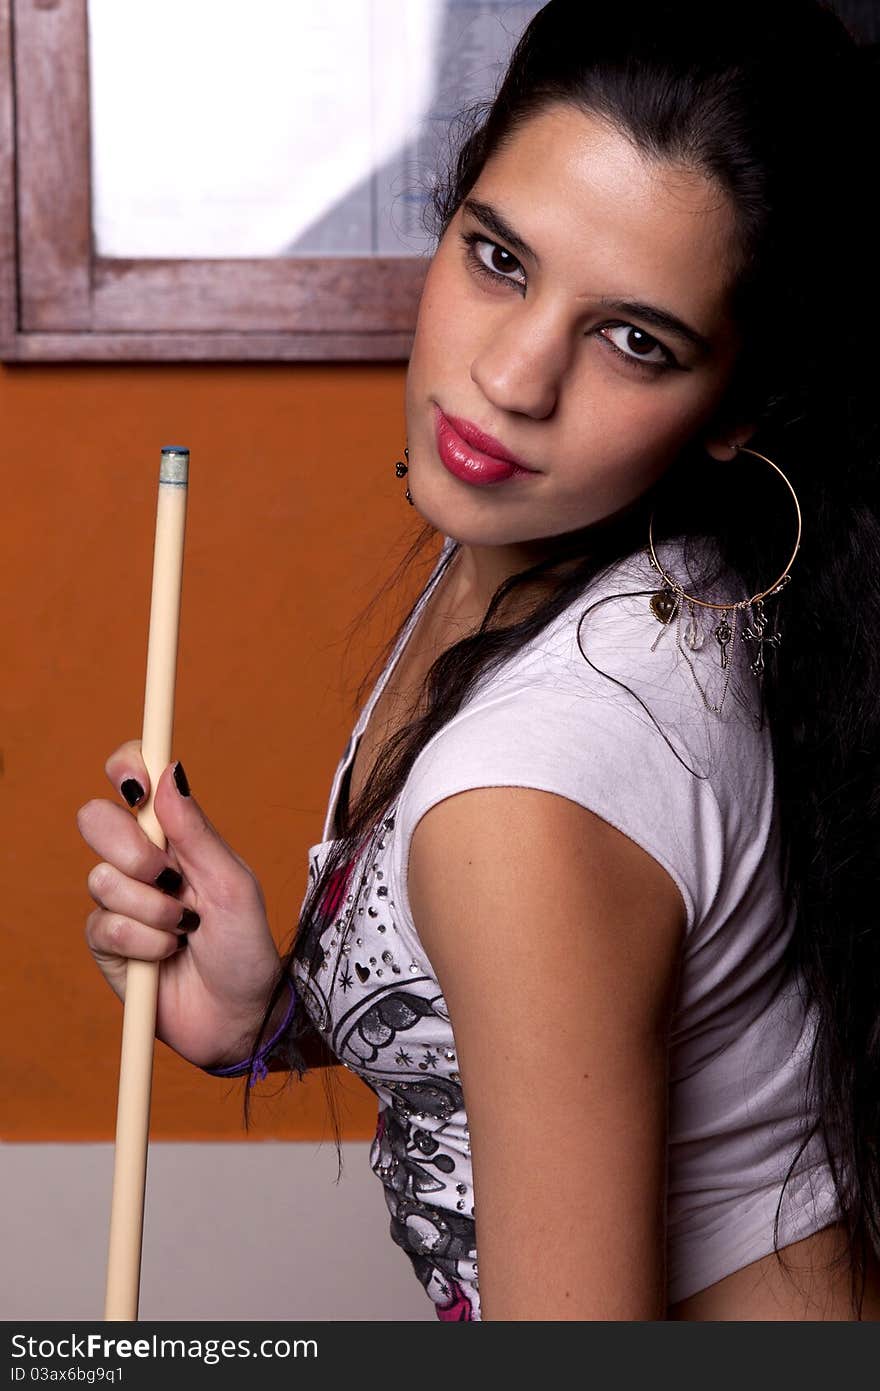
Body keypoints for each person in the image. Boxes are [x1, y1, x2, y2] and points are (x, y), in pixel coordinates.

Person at [76, 0, 880, 1321]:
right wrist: (269, 1014)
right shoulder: (598, 571)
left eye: (634, 340)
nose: (512, 378)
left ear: (738, 403)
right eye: (500, 259)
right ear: (447, 217)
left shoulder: (529, 796)